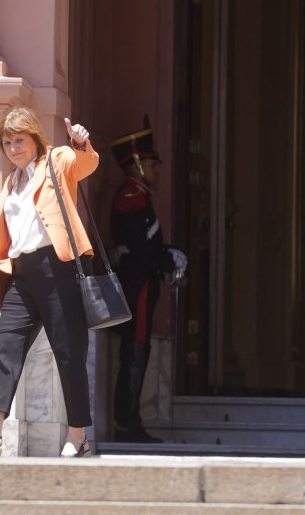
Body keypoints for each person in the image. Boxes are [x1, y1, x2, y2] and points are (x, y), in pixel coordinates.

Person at [0, 106, 99, 458]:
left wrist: (81, 143)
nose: (14, 147)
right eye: (7, 142)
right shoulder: (11, 182)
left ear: (35, 139)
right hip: (22, 275)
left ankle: (78, 436)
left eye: (20, 140)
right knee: (6, 347)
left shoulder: (57, 161)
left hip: (58, 269)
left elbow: (85, 165)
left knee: (69, 355)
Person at [108, 121, 187, 444]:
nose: (157, 171)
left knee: (140, 349)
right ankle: (127, 423)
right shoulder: (131, 197)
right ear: (138, 165)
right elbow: (141, 247)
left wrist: (168, 254)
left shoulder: (140, 197)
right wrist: (168, 261)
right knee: (136, 352)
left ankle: (130, 420)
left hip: (142, 280)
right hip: (136, 282)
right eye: (152, 164)